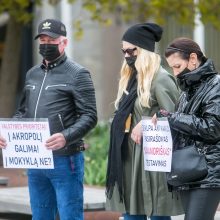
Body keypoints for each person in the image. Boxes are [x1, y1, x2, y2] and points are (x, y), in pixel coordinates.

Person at [0, 18, 97, 220]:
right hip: (35, 160)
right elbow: (22, 113)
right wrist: (8, 133)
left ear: (64, 42)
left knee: (70, 216)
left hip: (65, 159)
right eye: (42, 39)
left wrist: (65, 136)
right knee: (40, 216)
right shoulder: (32, 74)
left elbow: (90, 115)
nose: (46, 44)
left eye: (51, 40)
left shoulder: (78, 74)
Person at [105, 23, 183, 220]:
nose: (127, 55)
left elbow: (177, 117)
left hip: (152, 159)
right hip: (130, 157)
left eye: (132, 50)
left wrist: (146, 122)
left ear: (145, 50)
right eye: (124, 51)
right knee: (132, 214)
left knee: (157, 213)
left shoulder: (161, 79)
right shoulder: (131, 79)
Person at [152, 37, 220, 220]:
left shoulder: (216, 85)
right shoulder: (186, 91)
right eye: (172, 68)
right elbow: (183, 127)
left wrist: (173, 118)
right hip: (187, 172)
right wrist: (160, 124)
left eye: (177, 66)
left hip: (208, 172)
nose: (175, 73)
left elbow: (212, 128)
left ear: (192, 58)